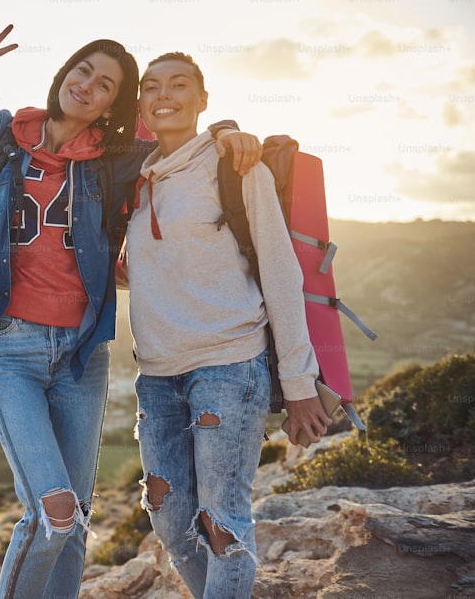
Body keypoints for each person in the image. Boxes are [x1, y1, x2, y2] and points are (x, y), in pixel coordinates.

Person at [0, 26, 261, 598]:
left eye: (106, 84)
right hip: (13, 350)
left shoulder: (114, 162)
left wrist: (227, 132)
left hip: (83, 357)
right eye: (83, 69)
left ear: (116, 104)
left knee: (77, 520)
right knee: (53, 513)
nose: (88, 85)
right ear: (65, 72)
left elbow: (178, 141)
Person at [125, 52, 332, 599]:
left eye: (179, 84)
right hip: (156, 378)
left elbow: (281, 273)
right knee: (171, 523)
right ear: (141, 103)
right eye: (152, 86)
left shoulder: (236, 165)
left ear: (202, 100)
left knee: (222, 522)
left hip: (229, 369)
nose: (163, 94)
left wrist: (299, 383)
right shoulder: (135, 180)